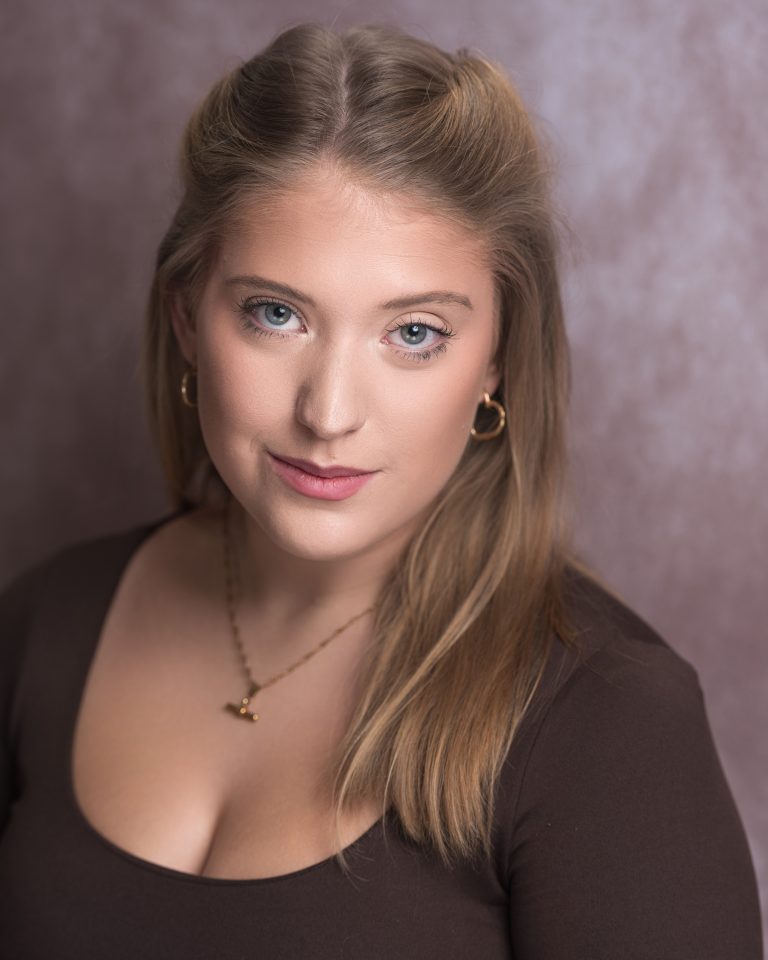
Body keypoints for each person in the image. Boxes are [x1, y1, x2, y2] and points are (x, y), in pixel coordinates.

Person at [0, 21, 762, 959]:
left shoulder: (609, 720)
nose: (328, 412)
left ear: (498, 361)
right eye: (275, 314)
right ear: (189, 322)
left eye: (413, 334)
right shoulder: (46, 621)